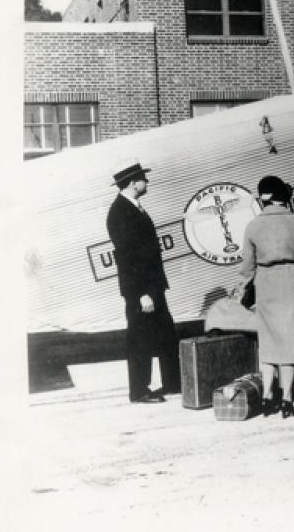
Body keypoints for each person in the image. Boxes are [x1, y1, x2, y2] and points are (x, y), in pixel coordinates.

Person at [239, 175, 294, 418]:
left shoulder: (253, 226)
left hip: (265, 282)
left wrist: (244, 290)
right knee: (290, 343)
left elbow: (246, 267)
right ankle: (287, 400)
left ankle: (266, 398)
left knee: (270, 341)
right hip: (293, 281)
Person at [105, 160, 180, 404]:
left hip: (153, 285)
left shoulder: (135, 207)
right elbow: (127, 258)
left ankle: (173, 383)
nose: (146, 182)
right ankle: (139, 390)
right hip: (141, 290)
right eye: (143, 179)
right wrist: (141, 294)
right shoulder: (120, 212)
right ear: (132, 183)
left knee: (166, 333)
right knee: (139, 339)